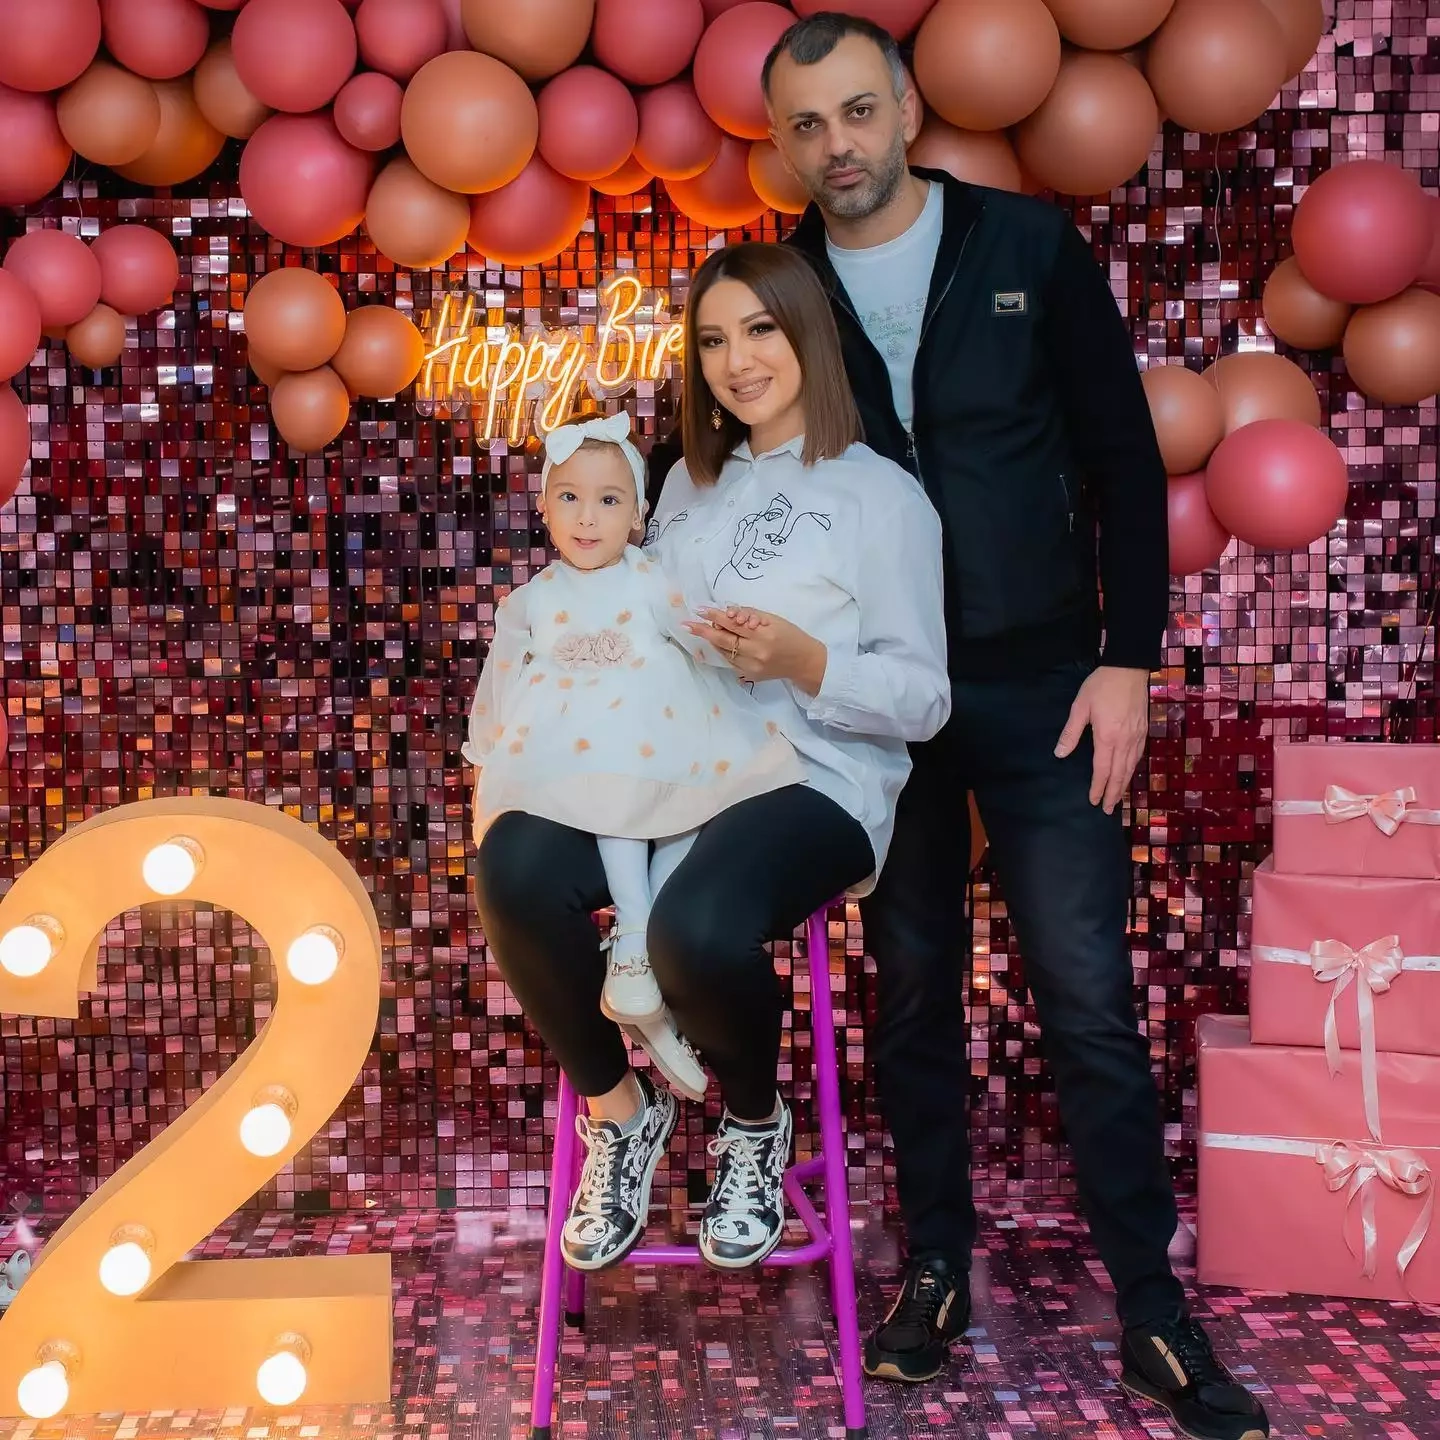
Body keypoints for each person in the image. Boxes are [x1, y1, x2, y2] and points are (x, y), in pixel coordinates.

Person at [762, 15, 1270, 1440]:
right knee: (912, 992)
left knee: (1088, 996)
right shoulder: (780, 285)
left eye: (859, 111)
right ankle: (934, 1271)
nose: (839, 145)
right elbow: (750, 483)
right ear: (783, 144)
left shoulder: (1029, 246)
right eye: (808, 125)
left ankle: (1154, 1320)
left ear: (907, 108)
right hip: (880, 703)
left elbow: (1121, 459)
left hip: (1047, 683)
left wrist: (1129, 661)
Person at [472, 239, 948, 1277]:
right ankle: (620, 1111)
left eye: (761, 330)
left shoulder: (882, 498)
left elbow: (925, 700)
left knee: (691, 927)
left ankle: (754, 1122)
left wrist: (805, 661)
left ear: (809, 334)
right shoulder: (683, 486)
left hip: (814, 780)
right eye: (715, 340)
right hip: (669, 769)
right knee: (512, 866)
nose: (738, 361)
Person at [462, 410, 804, 1115]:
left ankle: (639, 951)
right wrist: (485, 752)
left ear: (638, 517)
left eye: (609, 500)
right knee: (599, 785)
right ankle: (636, 951)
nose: (588, 517)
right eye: (569, 497)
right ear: (543, 508)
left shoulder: (648, 578)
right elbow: (501, 681)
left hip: (653, 736)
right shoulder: (531, 601)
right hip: (563, 750)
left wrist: (729, 642)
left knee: (671, 796)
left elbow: (692, 629)